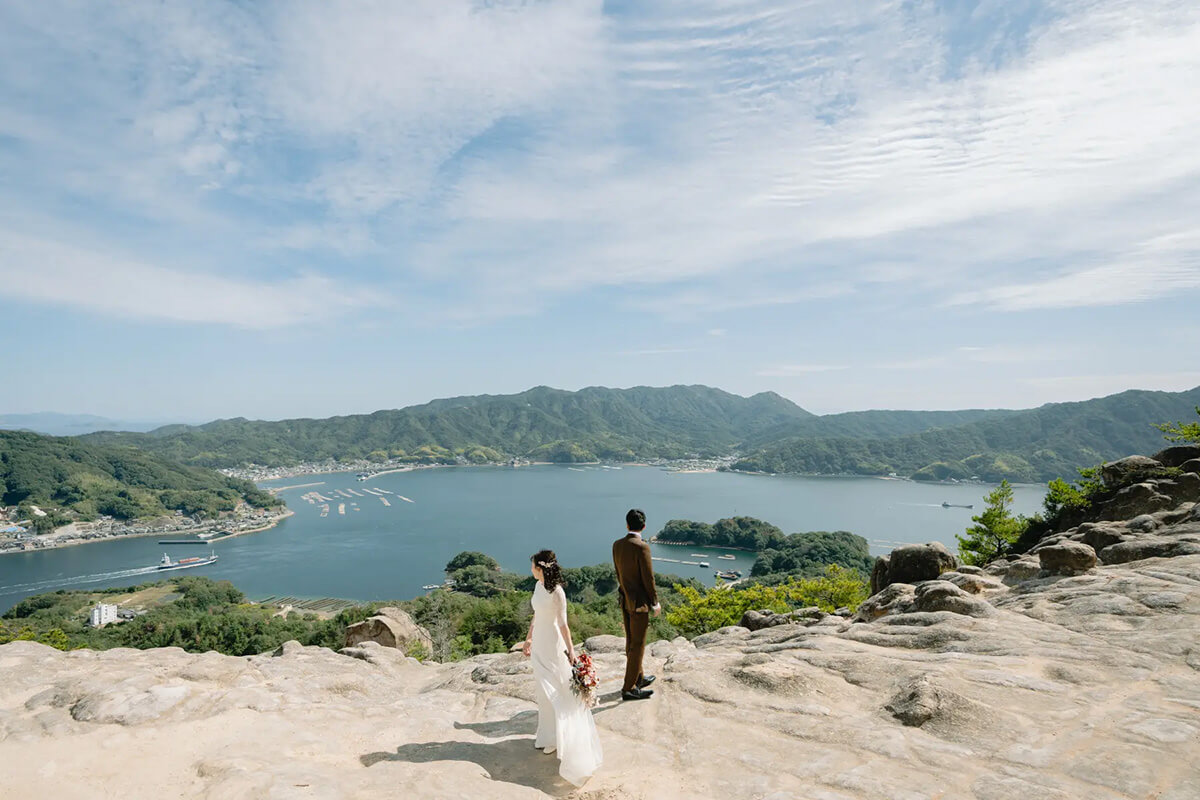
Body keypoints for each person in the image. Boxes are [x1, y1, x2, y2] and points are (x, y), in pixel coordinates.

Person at [521, 549, 603, 786]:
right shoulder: (537, 587)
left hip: (554, 645)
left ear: (540, 568)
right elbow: (537, 615)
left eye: (532, 565)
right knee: (543, 692)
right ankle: (550, 737)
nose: (530, 569)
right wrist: (528, 638)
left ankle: (569, 741)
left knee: (557, 692)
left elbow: (564, 625)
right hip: (539, 644)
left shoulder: (558, 593)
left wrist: (572, 652)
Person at [612, 508, 660, 701]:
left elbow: (619, 573)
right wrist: (654, 602)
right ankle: (629, 688)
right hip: (640, 604)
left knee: (631, 642)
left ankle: (638, 678)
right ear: (644, 526)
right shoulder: (642, 547)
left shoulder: (617, 545)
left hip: (625, 600)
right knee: (637, 645)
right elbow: (648, 579)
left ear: (626, 525)